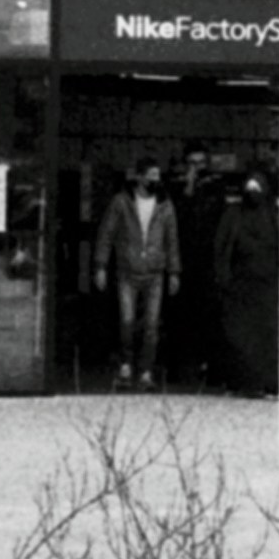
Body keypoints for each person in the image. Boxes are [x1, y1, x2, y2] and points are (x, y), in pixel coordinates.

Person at [93, 156, 181, 389]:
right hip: (127, 271)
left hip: (155, 273)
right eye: (151, 176)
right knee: (127, 321)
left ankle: (146, 372)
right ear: (139, 177)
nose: (155, 180)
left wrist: (174, 271)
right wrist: (100, 266)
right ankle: (126, 365)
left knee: (152, 325)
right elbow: (106, 234)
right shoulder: (121, 202)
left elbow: (172, 240)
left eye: (157, 176)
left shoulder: (165, 205)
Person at [212, 168, 279, 396]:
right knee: (240, 337)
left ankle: (265, 382)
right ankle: (242, 382)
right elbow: (221, 249)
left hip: (267, 289)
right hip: (240, 288)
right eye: (249, 189)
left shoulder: (273, 215)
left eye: (257, 189)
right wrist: (224, 280)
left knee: (266, 338)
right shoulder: (234, 215)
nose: (253, 193)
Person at [171, 144, 228, 381]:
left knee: (209, 315)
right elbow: (177, 217)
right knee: (181, 314)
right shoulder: (177, 188)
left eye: (201, 163)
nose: (197, 168)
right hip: (183, 260)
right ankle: (181, 367)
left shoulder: (216, 188)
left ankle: (211, 367)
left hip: (207, 260)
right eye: (192, 163)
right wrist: (188, 185)